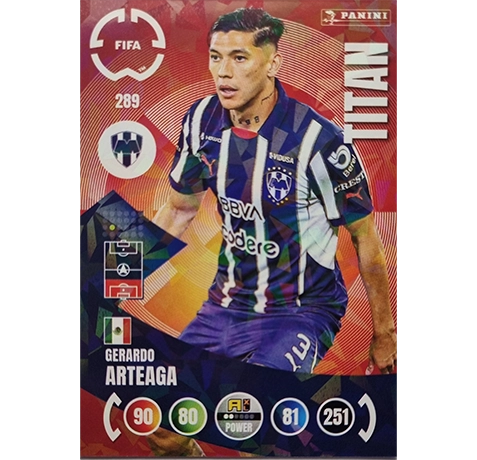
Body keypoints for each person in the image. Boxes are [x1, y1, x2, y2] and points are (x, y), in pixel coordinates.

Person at [154, 7, 397, 376]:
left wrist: (384, 333)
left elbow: (364, 236)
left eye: (239, 58)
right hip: (224, 309)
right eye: (216, 57)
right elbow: (178, 209)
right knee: (165, 404)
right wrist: (116, 276)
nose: (223, 72)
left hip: (300, 312)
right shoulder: (201, 120)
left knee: (258, 401)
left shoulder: (320, 141)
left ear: (273, 64)